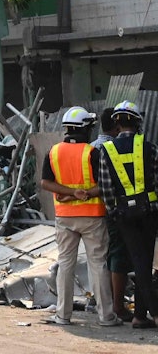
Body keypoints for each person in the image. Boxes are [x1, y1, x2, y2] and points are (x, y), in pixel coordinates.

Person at [38, 105, 118, 327]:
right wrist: (82, 194)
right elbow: (105, 185)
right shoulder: (93, 153)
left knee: (65, 264)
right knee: (98, 265)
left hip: (64, 217)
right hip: (92, 216)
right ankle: (106, 316)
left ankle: (63, 315)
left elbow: (45, 183)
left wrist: (70, 194)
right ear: (86, 128)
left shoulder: (53, 152)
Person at [94, 101, 158, 329]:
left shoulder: (106, 151)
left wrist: (114, 211)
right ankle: (152, 312)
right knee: (144, 262)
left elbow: (105, 186)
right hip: (149, 213)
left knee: (139, 263)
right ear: (137, 122)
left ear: (117, 123)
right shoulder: (148, 147)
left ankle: (141, 317)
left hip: (122, 215)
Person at [93, 107, 134, 321]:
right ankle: (116, 306)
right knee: (118, 256)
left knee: (101, 259)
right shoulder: (111, 148)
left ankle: (105, 302)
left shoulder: (92, 148)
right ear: (116, 126)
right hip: (113, 211)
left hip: (92, 212)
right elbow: (105, 185)